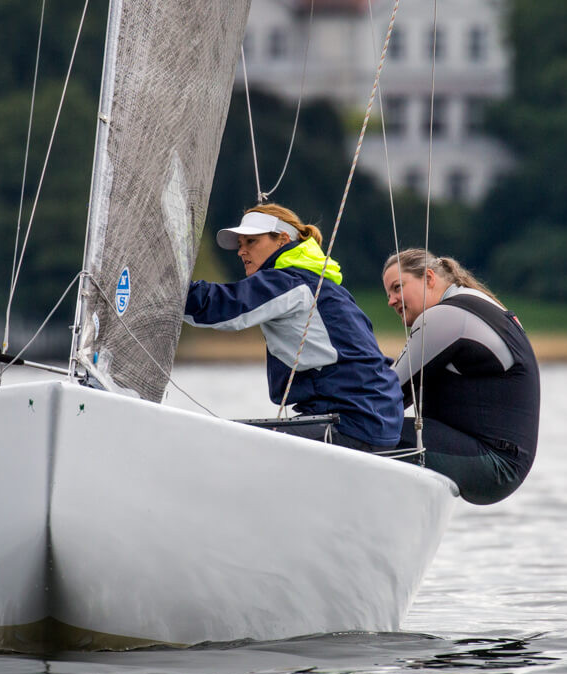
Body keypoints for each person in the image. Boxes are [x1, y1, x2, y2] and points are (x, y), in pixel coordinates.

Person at [184, 203, 403, 451]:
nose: (241, 252)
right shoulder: (323, 285)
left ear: (282, 240)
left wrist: (163, 284)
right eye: (240, 244)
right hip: (375, 424)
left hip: (351, 424)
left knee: (221, 445)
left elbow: (223, 307)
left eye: (251, 242)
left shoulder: (292, 282)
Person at [382, 248, 540, 504]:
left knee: (358, 429)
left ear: (430, 278)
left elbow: (386, 396)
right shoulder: (474, 304)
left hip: (494, 465)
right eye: (388, 293)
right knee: (371, 425)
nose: (391, 300)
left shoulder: (446, 317)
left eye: (398, 288)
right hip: (495, 459)